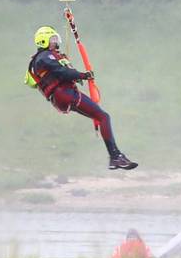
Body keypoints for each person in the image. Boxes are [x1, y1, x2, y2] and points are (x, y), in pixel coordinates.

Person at [26, 25, 137, 170]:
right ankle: (115, 156)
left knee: (100, 116)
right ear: (43, 41)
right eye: (52, 39)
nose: (56, 42)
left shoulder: (45, 57)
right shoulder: (44, 56)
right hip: (65, 94)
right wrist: (83, 75)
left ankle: (115, 157)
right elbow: (62, 73)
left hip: (62, 97)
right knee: (103, 117)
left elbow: (62, 72)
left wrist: (78, 75)